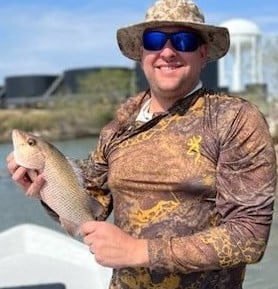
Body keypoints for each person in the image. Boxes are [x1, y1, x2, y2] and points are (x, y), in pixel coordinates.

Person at [6, 0, 277, 288]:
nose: (168, 51)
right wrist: (45, 188)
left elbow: (249, 236)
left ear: (203, 52)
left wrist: (139, 252)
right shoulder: (117, 129)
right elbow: (90, 206)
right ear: (142, 52)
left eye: (183, 40)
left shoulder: (235, 119)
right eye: (155, 40)